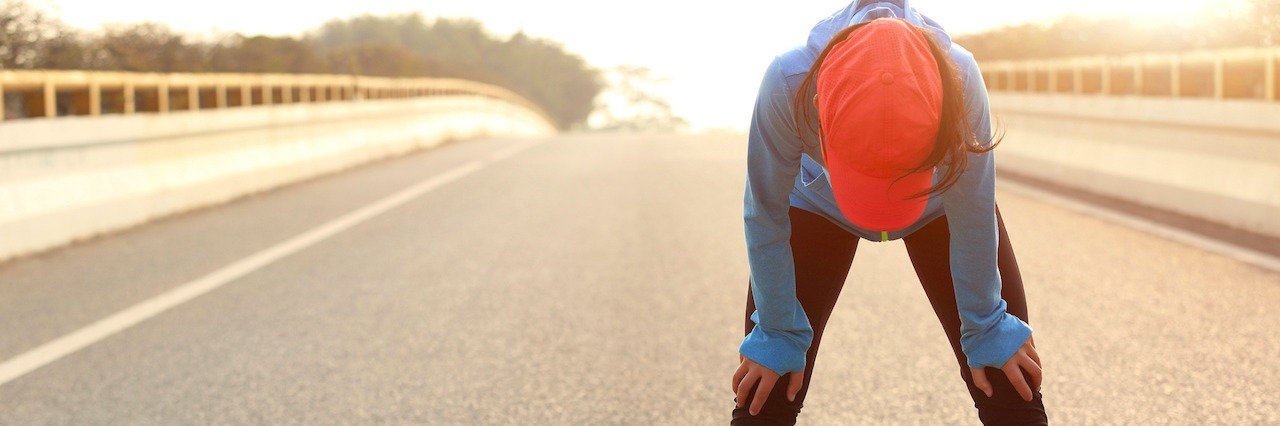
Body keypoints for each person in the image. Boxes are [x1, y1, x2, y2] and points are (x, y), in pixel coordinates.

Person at [731, 1, 1048, 425]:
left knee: (1007, 371)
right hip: (818, 204)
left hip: (938, 205)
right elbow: (765, 211)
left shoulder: (959, 76)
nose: (884, 219)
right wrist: (776, 329)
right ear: (821, 112)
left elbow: (972, 210)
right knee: (768, 384)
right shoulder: (790, 82)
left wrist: (987, 324)